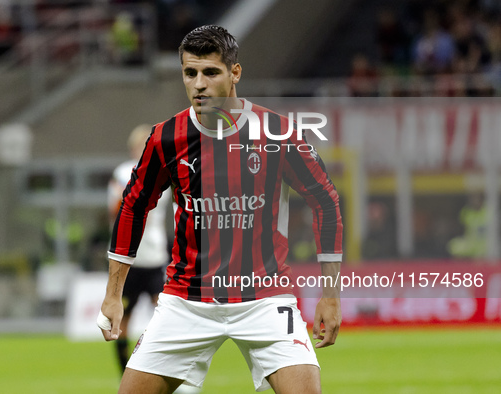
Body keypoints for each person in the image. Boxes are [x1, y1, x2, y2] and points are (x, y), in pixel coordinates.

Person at [98, 25, 343, 393]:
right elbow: (133, 206)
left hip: (265, 299)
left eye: (210, 72)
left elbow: (325, 200)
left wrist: (331, 294)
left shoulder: (278, 133)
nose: (199, 83)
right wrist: (113, 294)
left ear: (235, 73)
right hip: (186, 301)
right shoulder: (166, 138)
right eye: (190, 73)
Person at [106, 124, 170, 374]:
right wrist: (130, 194)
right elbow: (114, 211)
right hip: (127, 258)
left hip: (155, 254)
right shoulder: (123, 173)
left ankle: (167, 370)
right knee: (123, 318)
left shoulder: (164, 172)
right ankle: (125, 374)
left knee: (167, 314)